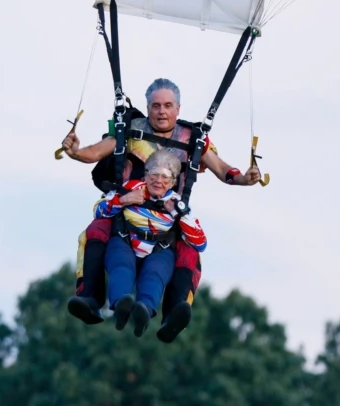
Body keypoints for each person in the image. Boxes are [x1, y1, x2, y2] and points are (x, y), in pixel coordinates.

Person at [62, 78, 260, 342]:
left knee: (189, 251)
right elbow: (94, 153)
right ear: (148, 107)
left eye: (167, 106)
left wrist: (245, 178)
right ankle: (89, 297)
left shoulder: (193, 138)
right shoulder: (131, 130)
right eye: (156, 106)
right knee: (94, 231)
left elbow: (222, 169)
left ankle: (174, 312)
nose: (161, 112)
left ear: (178, 109)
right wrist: (75, 152)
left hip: (169, 218)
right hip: (128, 208)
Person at [94, 149, 207, 337]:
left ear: (172, 182)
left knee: (154, 275)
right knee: (122, 265)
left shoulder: (176, 203)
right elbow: (98, 212)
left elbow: (200, 243)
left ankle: (144, 311)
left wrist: (180, 215)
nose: (158, 181)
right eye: (154, 174)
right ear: (146, 174)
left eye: (165, 177)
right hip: (126, 241)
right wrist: (123, 200)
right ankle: (121, 304)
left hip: (158, 249)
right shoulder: (129, 187)